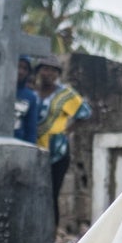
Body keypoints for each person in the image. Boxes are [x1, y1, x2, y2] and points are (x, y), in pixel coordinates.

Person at [33, 53, 90, 231]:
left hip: (56, 151)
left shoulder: (65, 94)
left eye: (52, 70)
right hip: (33, 148)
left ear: (58, 73)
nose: (47, 73)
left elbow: (85, 113)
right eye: (44, 69)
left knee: (51, 194)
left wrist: (67, 131)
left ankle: (50, 233)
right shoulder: (32, 93)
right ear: (38, 71)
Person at [13, 56, 44, 144]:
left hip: (18, 144)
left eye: (25, 69)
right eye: (18, 66)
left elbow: (31, 129)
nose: (20, 71)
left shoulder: (30, 97)